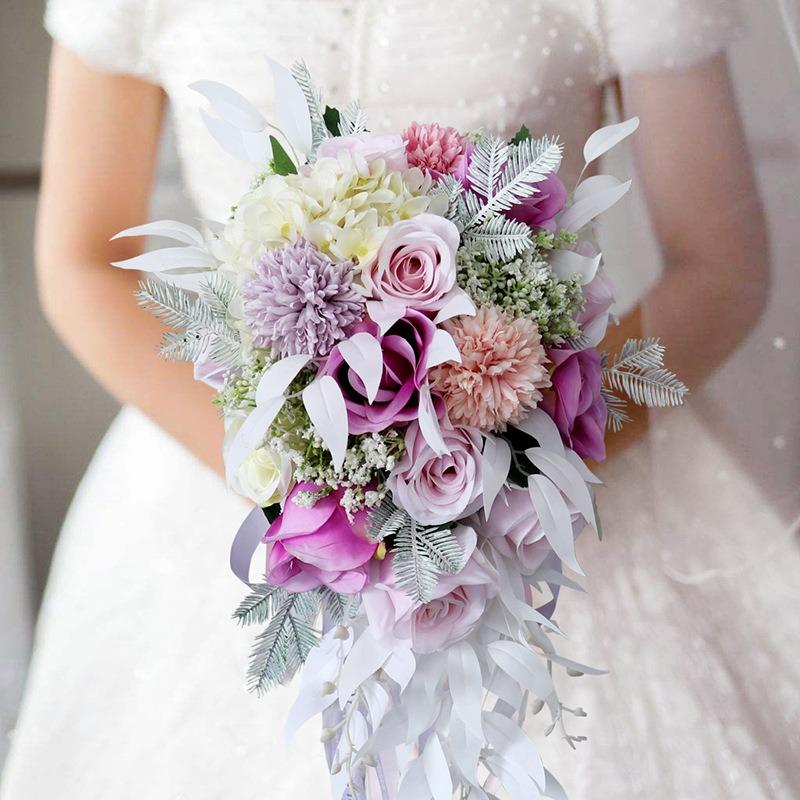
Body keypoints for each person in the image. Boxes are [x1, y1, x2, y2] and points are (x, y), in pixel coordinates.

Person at [2, 1, 798, 798]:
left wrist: (514, 470)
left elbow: (721, 264)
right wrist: (300, 487)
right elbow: (79, 258)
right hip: (221, 479)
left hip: (558, 503)